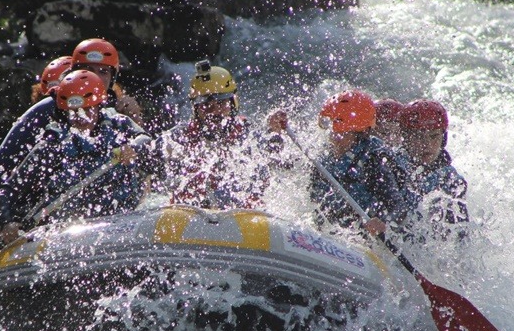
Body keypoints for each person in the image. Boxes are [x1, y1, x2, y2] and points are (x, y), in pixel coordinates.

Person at [0, 70, 150, 244]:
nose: (80, 117)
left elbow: (145, 139)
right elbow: (8, 191)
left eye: (86, 110)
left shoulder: (120, 125)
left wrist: (133, 148)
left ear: (98, 105)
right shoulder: (53, 145)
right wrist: (7, 222)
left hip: (120, 223)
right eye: (74, 112)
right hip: (67, 233)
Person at [272, 90, 412, 236]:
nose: (334, 137)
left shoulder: (374, 159)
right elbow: (284, 167)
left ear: (360, 132)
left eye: (342, 132)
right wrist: (275, 133)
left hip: (361, 237)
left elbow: (399, 209)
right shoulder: (322, 152)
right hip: (329, 232)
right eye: (332, 128)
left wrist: (383, 222)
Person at [146, 61, 284, 210]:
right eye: (206, 105)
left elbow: (279, 158)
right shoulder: (178, 138)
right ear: (195, 109)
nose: (214, 111)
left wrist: (275, 134)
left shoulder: (248, 135)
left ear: (233, 103)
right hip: (190, 218)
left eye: (221, 103)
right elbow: (149, 153)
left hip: (240, 218)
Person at [399, 99, 469, 240]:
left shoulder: (452, 181)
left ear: (443, 138)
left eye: (434, 136)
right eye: (419, 136)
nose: (427, 144)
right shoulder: (392, 165)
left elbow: (459, 235)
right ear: (405, 138)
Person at [70, 38, 145, 127]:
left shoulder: (119, 108)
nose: (96, 77)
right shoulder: (57, 102)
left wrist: (135, 120)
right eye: (89, 70)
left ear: (111, 79)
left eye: (103, 72)